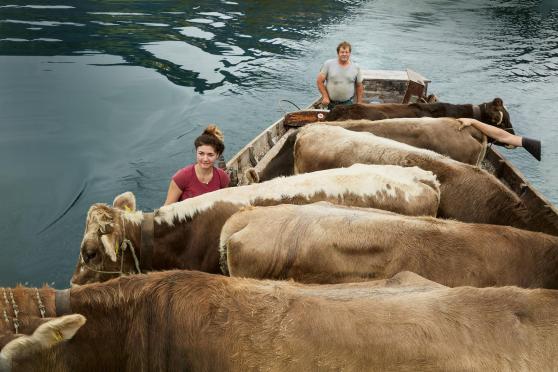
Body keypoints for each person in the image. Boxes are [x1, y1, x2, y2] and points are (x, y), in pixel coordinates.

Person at [164, 125, 230, 205]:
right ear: (196, 152)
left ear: (218, 155)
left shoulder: (222, 177)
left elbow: (224, 205)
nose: (205, 159)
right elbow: (167, 209)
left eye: (210, 155)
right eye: (201, 153)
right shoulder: (181, 178)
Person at [457, 118, 541, 161]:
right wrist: (473, 122)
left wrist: (473, 121)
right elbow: (504, 137)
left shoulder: (539, 147)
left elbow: (505, 137)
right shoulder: (539, 147)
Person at [317, 41, 364, 110]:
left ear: (349, 53)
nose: (344, 54)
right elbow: (319, 81)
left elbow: (359, 86)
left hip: (347, 104)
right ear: (338, 53)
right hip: (330, 103)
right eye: (342, 52)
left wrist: (359, 103)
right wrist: (325, 97)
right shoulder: (328, 64)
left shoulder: (356, 67)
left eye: (346, 52)